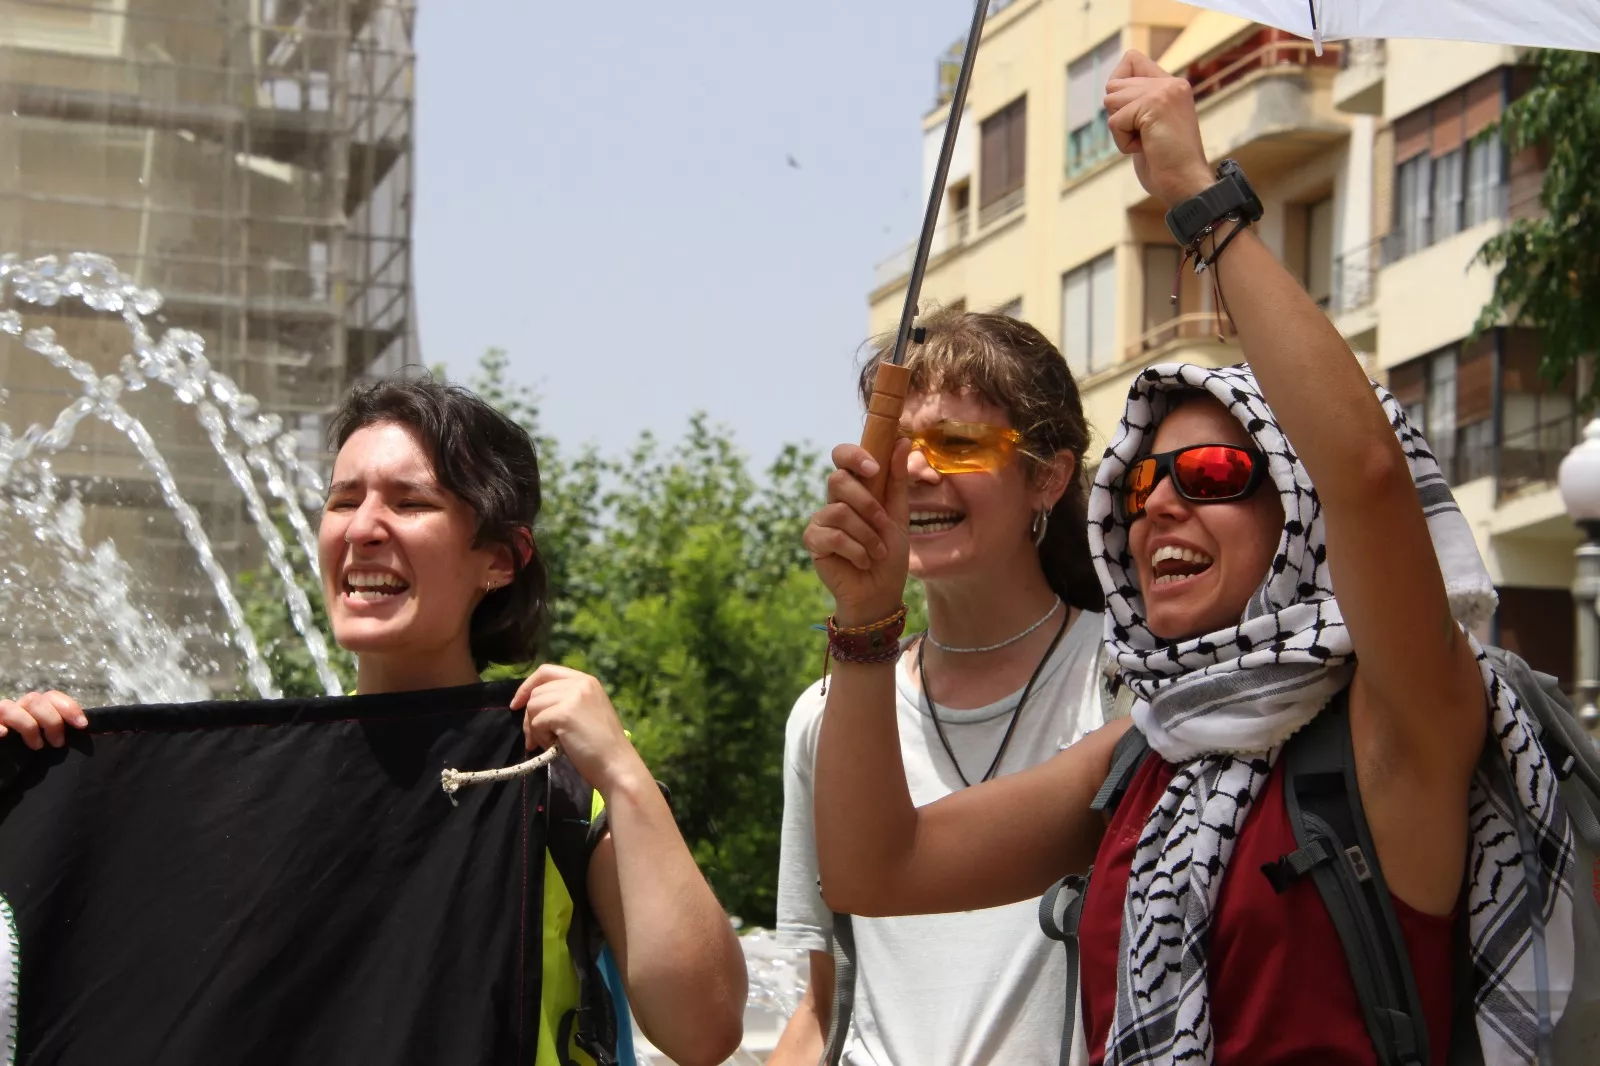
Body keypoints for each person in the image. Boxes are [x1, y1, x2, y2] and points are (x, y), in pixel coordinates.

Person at [801, 51, 1574, 1066]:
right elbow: (876, 869)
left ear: (1299, 513)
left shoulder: (1399, 722)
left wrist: (1199, 202)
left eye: (1210, 474)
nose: (1158, 504)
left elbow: (1367, 473)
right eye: (1136, 486)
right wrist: (865, 622)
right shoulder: (1149, 752)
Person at [0, 375, 747, 1066]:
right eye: (342, 500)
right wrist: (38, 779)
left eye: (410, 503)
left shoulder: (555, 772)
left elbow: (704, 1031)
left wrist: (624, 774)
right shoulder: (235, 783)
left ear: (501, 558)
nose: (363, 528)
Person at [770, 309, 1116, 1066]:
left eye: (958, 445)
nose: (919, 472)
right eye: (898, 448)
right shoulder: (826, 714)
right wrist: (863, 618)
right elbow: (824, 1009)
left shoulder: (1123, 681)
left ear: (1049, 478)